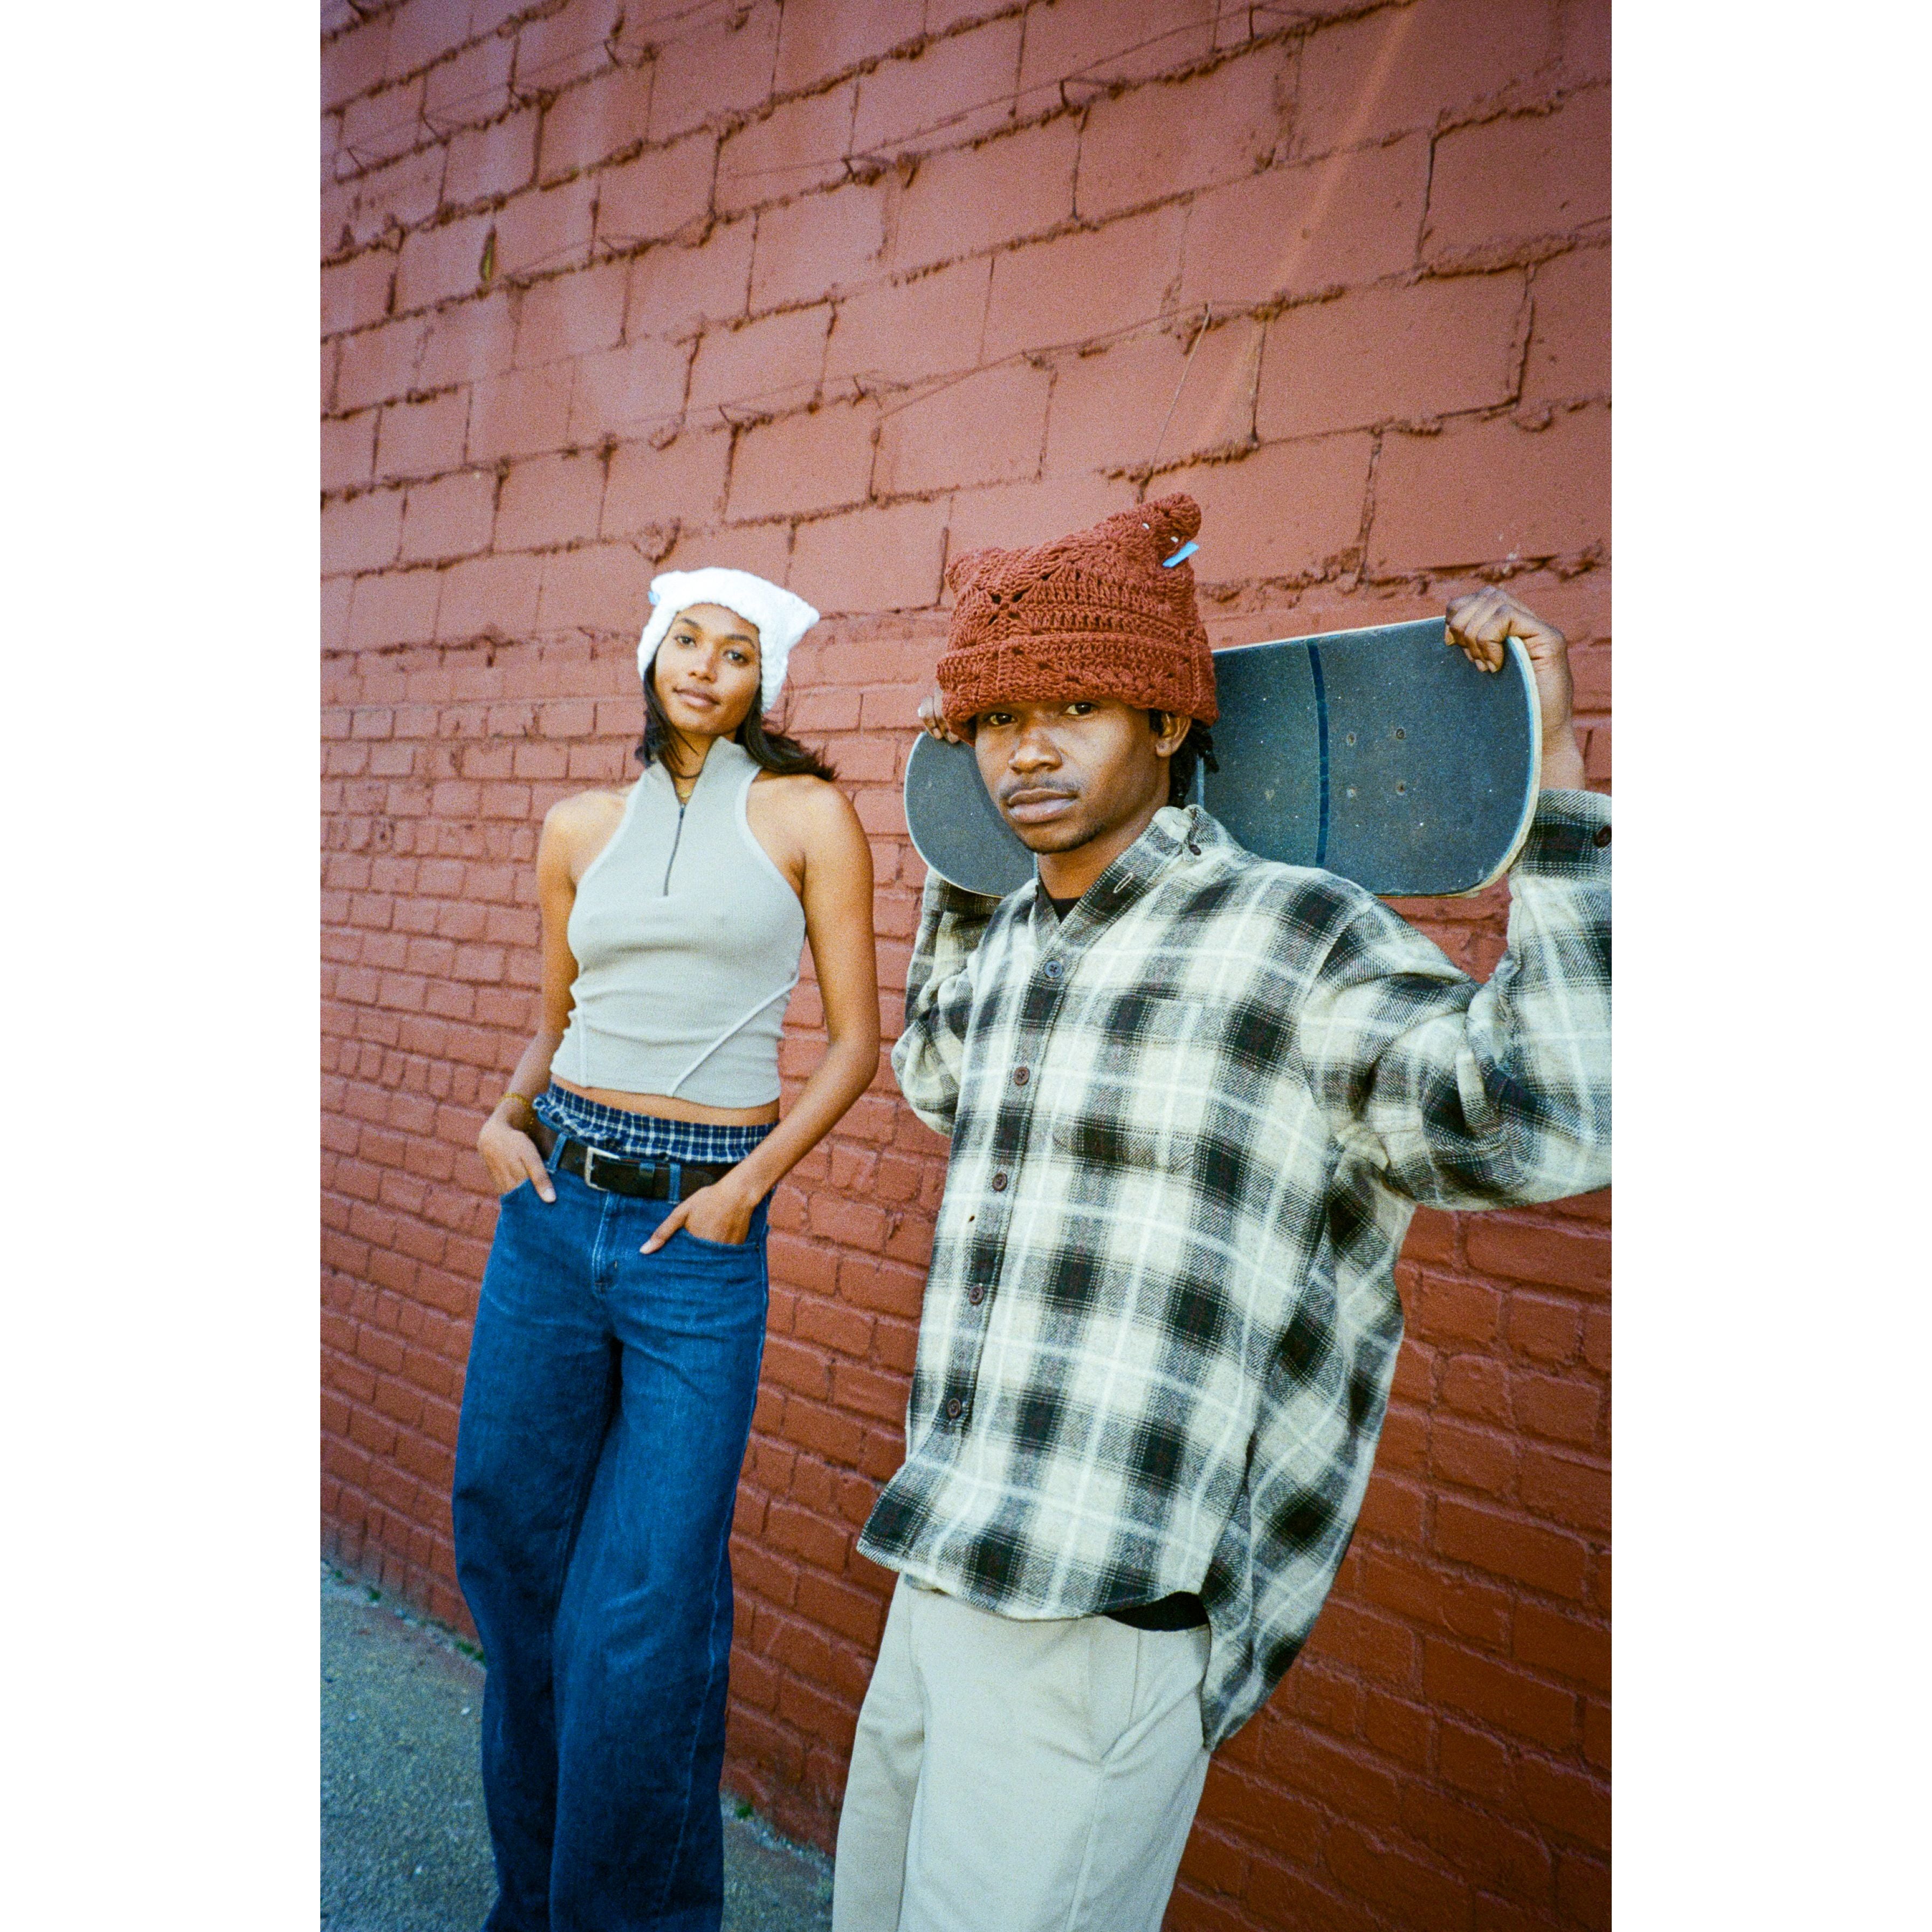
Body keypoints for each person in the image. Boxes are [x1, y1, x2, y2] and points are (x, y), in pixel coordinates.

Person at [829, 496, 1611, 1932]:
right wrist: (954, 859)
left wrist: (1553, 783)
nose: (1034, 750)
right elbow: (941, 1074)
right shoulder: (1014, 943)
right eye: (998, 721)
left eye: (1080, 706)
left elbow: (1539, 1118)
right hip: (941, 1561)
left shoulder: (1295, 933)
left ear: (1172, 723)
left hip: (1109, 1600)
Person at [452, 567, 880, 1932]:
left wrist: (750, 1186)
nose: (705, 665)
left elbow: (857, 1042)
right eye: (687, 640)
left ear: (769, 682)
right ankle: (538, 1905)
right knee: (513, 1558)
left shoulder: (808, 816)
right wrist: (500, 1123)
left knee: (643, 1611)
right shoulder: (578, 826)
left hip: (699, 1235)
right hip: (551, 1209)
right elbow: (552, 1019)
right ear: (650, 655)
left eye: (737, 651)